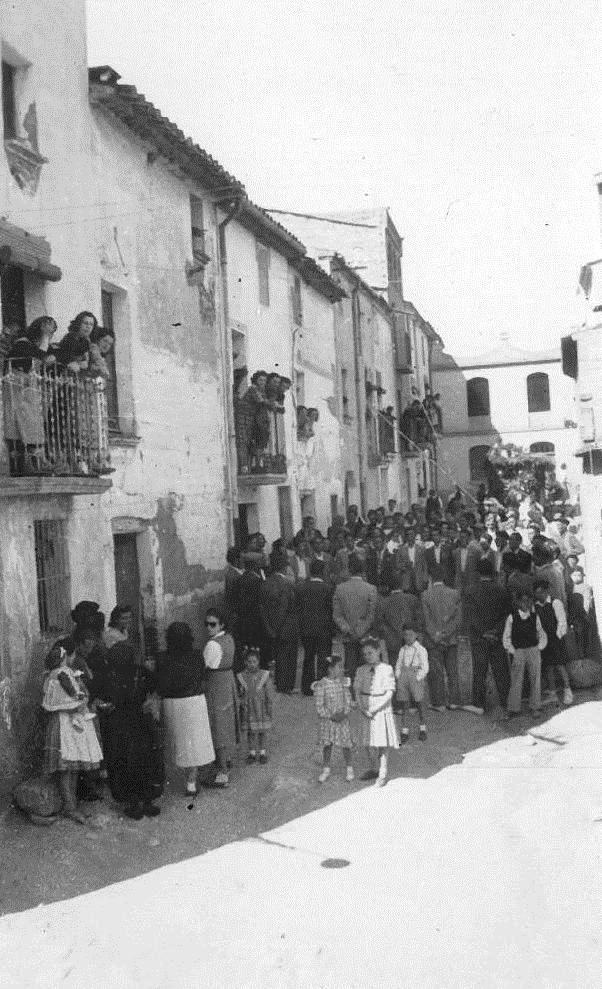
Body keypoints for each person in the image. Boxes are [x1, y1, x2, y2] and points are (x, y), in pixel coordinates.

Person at [93, 639, 163, 819]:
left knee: (123, 762)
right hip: (141, 721)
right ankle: (148, 801)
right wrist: (150, 701)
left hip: (118, 724)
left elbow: (95, 696)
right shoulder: (141, 672)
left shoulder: (108, 675)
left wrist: (105, 705)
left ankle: (133, 804)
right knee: (146, 760)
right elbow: (157, 686)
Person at [42, 638, 103, 824]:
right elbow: (63, 701)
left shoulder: (59, 673)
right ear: (67, 656)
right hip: (65, 723)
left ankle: (71, 805)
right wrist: (81, 701)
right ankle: (70, 807)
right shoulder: (60, 674)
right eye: (73, 654)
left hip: (67, 722)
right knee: (67, 768)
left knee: (71, 767)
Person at [156, 622, 215, 796]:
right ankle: (191, 781)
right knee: (194, 743)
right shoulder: (197, 656)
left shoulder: (162, 658)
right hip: (194, 702)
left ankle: (179, 776)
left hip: (172, 703)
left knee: (178, 742)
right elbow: (202, 679)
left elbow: (160, 684)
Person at [4, 316, 58, 474]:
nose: (50, 332)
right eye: (47, 328)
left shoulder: (35, 345)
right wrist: (45, 338)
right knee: (19, 424)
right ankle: (21, 465)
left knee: (32, 424)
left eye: (52, 330)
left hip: (28, 389)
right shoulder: (22, 343)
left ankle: (34, 463)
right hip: (17, 387)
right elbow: (36, 358)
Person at [463, 558, 512, 715]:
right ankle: (507, 702)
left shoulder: (470, 591)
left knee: (480, 670)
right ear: (492, 573)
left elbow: (470, 617)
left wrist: (483, 632)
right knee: (501, 670)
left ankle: (479, 704)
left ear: (477, 573)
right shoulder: (501, 590)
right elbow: (506, 615)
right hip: (497, 636)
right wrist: (495, 631)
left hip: (479, 637)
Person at [354, 635, 399, 786]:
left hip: (380, 706)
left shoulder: (386, 669)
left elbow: (389, 692)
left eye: (370, 653)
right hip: (365, 706)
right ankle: (373, 767)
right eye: (365, 654)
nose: (368, 657)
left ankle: (383, 771)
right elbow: (357, 690)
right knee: (367, 740)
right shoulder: (361, 670)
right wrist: (362, 707)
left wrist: (375, 708)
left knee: (382, 740)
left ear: (378, 651)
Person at [203, 609, 239, 787]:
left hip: (216, 683)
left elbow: (206, 666)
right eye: (207, 624)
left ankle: (222, 772)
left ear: (221, 624)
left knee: (217, 725)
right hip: (227, 680)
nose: (209, 628)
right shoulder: (229, 639)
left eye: (213, 624)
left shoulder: (212, 645)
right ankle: (227, 760)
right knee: (225, 722)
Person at [421, 567, 462, 711]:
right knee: (452, 670)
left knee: (436, 671)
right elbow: (458, 618)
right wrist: (447, 633)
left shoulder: (425, 595)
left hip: (433, 639)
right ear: (444, 578)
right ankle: (454, 701)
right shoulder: (454, 593)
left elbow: (426, 620)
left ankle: (438, 703)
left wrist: (435, 635)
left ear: (431, 578)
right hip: (450, 639)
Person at [332, 553, 378, 685]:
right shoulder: (370, 589)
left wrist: (347, 628)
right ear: (362, 570)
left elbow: (337, 615)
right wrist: (360, 630)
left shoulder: (340, 588)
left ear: (349, 570)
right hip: (364, 633)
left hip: (348, 633)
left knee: (350, 665)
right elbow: (371, 615)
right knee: (366, 663)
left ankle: (351, 694)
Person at [503, 590, 547, 718]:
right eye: (523, 601)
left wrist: (539, 647)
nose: (526, 604)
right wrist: (512, 650)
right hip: (519, 651)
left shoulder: (534, 617)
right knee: (516, 679)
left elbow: (541, 633)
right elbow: (507, 636)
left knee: (535, 678)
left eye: (529, 601)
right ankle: (513, 708)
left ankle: (535, 706)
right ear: (517, 602)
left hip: (533, 649)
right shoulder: (512, 617)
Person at [260, 552, 299, 693]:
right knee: (289, 657)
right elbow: (284, 607)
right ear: (284, 567)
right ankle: (287, 685)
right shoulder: (287, 584)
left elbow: (262, 607)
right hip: (287, 626)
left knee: (279, 655)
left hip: (270, 626)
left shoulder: (265, 583)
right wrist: (277, 627)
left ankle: (280, 683)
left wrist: (270, 628)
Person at [312, 654, 354, 783]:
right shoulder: (321, 685)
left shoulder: (343, 683)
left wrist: (344, 713)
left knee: (346, 744)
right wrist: (331, 716)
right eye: (339, 667)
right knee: (327, 744)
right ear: (330, 669)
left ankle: (349, 767)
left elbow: (348, 700)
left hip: (342, 720)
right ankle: (326, 768)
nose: (342, 669)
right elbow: (319, 706)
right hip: (328, 721)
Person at [297, 558, 333, 696]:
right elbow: (331, 609)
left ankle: (307, 687)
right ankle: (323, 686)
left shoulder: (301, 588)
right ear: (322, 572)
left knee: (308, 657)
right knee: (324, 657)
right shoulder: (328, 588)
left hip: (307, 628)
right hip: (324, 628)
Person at [534, 580, 573, 706]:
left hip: (556, 640)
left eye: (541, 592)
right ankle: (552, 694)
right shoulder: (536, 606)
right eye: (537, 593)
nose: (539, 595)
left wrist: (557, 636)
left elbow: (562, 622)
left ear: (547, 591)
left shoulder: (556, 603)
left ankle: (568, 691)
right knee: (548, 667)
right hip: (543, 640)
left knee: (560, 665)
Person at [237, 647, 274, 764]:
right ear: (245, 662)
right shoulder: (242, 677)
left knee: (262, 731)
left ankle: (262, 752)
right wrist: (242, 702)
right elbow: (240, 693)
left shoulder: (264, 675)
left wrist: (269, 706)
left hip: (261, 708)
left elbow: (268, 692)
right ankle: (252, 753)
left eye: (254, 661)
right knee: (251, 731)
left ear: (258, 662)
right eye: (249, 662)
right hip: (249, 709)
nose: (252, 664)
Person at [376, 575, 423, 667]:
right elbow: (419, 619)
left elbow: (379, 623)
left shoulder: (384, 602)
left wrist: (387, 633)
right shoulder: (412, 599)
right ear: (401, 585)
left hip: (392, 640)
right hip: (411, 637)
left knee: (395, 665)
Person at [395, 625, 429, 742]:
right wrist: (399, 675)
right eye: (405, 635)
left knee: (420, 704)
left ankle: (423, 728)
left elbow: (425, 667)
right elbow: (399, 664)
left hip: (415, 678)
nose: (408, 637)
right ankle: (404, 730)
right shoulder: (402, 650)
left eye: (410, 634)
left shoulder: (421, 649)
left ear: (416, 635)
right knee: (405, 704)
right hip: (404, 677)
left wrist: (418, 678)